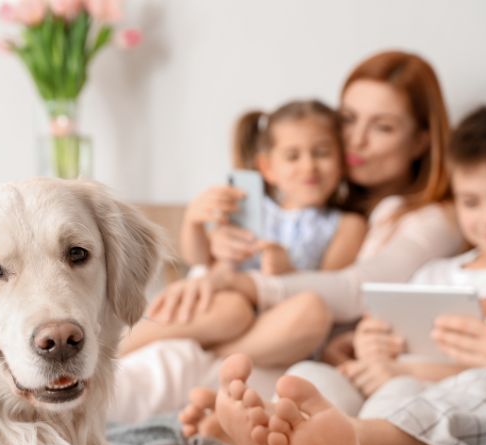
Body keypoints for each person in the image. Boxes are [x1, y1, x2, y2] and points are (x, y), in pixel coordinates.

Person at [207, 102, 486, 445]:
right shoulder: (436, 271)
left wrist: (400, 371)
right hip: (384, 380)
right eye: (471, 202)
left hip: (434, 395)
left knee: (402, 394)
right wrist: (366, 343)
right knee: (310, 377)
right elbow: (382, 330)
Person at [113, 50, 465, 423]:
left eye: (383, 127)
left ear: (421, 141)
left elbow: (352, 288)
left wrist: (242, 281)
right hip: (244, 327)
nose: (356, 141)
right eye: (348, 120)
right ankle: (121, 352)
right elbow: (214, 255)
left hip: (293, 347)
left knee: (195, 357)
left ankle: (194, 358)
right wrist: (208, 247)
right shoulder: (318, 200)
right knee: (178, 349)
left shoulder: (432, 219)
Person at [119, 99, 367, 357]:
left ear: (342, 160)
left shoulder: (347, 225)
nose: (309, 166)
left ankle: (214, 357)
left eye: (322, 153)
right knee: (231, 310)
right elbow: (200, 258)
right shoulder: (249, 206)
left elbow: (332, 291)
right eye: (293, 156)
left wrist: (288, 271)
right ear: (268, 168)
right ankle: (118, 349)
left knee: (308, 310)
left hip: (278, 322)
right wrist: (194, 222)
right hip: (226, 311)